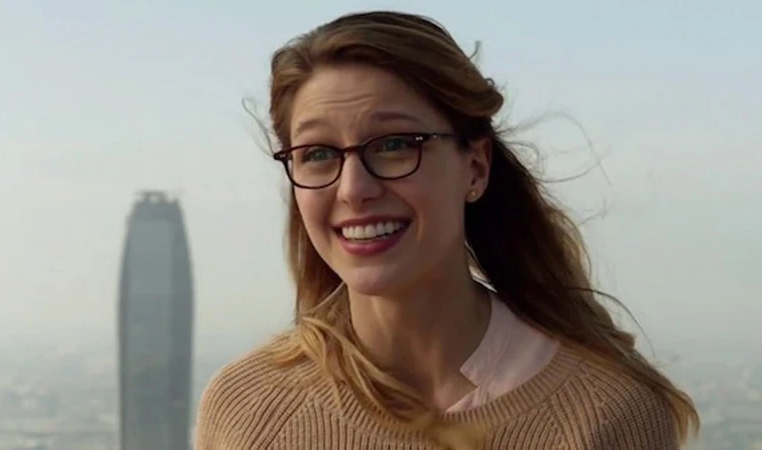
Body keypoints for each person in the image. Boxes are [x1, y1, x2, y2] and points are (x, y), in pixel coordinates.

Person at [194, 11, 699, 450]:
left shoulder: (608, 414)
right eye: (318, 154)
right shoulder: (247, 410)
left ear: (475, 166)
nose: (353, 189)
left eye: (395, 145)